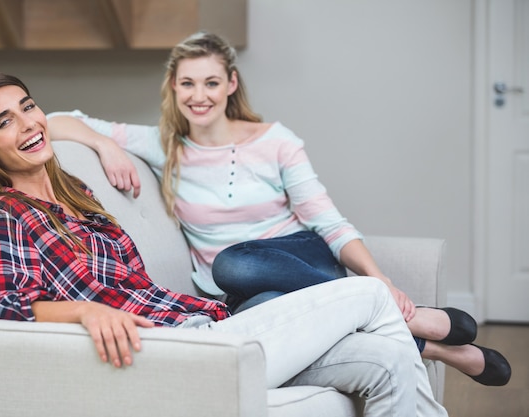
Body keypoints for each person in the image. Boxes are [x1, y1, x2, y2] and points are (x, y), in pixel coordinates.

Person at [0, 72, 451, 417]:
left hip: (206, 324)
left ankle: (413, 335)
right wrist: (83, 313)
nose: (29, 123)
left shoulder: (77, 193)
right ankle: (419, 322)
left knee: (388, 360)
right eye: (3, 121)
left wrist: (101, 145)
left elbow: (135, 285)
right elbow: (2, 308)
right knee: (367, 294)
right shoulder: (4, 212)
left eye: (27, 107)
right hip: (179, 351)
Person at [47, 32, 512, 387]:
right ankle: (435, 346)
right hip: (239, 291)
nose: (199, 95)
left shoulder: (276, 141)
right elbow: (55, 120)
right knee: (260, 314)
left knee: (235, 261)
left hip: (297, 257)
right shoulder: (162, 145)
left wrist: (382, 280)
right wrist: (102, 144)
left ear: (231, 83)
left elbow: (328, 221)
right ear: (173, 85)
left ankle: (382, 303)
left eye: (211, 81)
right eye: (187, 83)